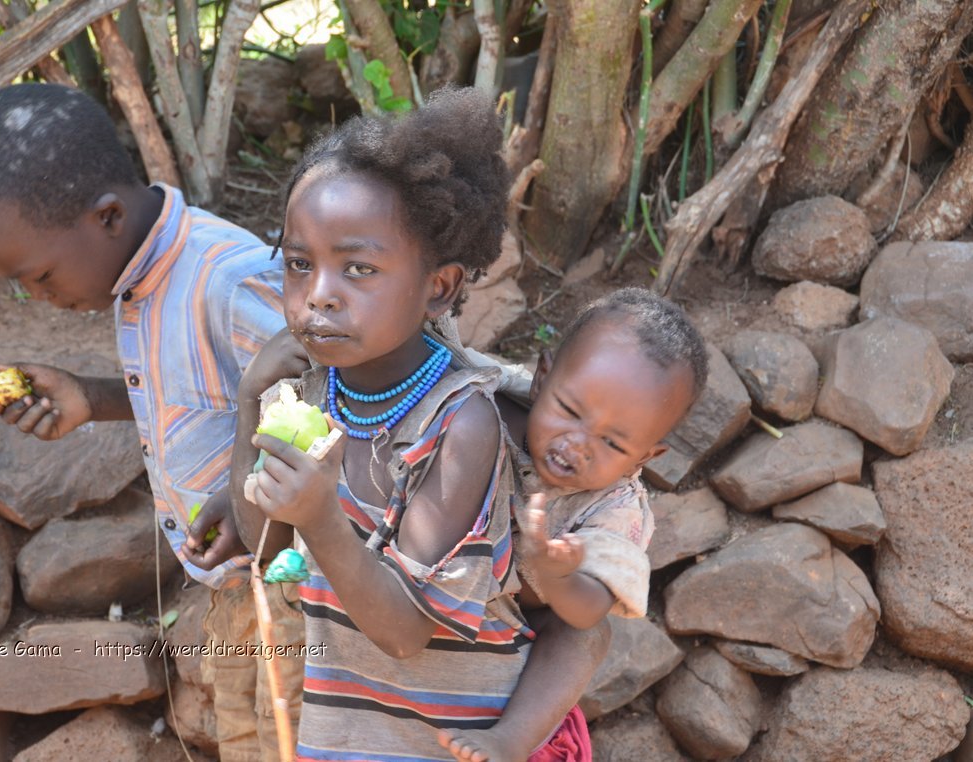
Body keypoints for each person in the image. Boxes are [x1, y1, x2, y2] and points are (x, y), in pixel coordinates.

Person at [231, 86, 609, 762]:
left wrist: (320, 516)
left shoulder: (460, 423)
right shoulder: (308, 393)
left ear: (439, 287)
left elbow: (406, 630)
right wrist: (249, 403)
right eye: (299, 264)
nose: (319, 294)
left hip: (455, 743)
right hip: (347, 737)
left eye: (358, 268)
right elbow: (265, 546)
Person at [0, 82, 305, 762]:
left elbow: (323, 407)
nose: (36, 297)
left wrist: (249, 501)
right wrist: (91, 398)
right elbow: (202, 395)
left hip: (299, 597)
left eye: (40, 276)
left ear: (107, 216)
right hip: (238, 594)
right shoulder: (136, 279)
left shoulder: (226, 280)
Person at [439, 287, 709, 761]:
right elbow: (424, 355)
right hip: (435, 577)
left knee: (587, 635)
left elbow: (588, 609)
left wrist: (557, 575)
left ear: (644, 457)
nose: (578, 444)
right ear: (543, 378)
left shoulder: (617, 507)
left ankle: (509, 739)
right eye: (569, 411)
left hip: (519, 620)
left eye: (613, 443)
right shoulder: (490, 393)